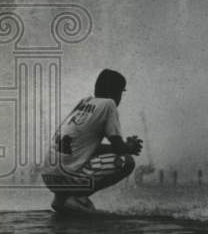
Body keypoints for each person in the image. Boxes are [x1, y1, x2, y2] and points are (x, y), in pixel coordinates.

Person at [42, 68, 143, 214]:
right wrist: (129, 146)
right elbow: (119, 148)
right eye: (121, 92)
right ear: (115, 92)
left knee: (82, 157)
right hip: (68, 177)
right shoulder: (108, 104)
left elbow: (84, 148)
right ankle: (78, 197)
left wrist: (124, 146)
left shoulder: (83, 103)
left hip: (49, 176)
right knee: (126, 161)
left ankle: (60, 199)